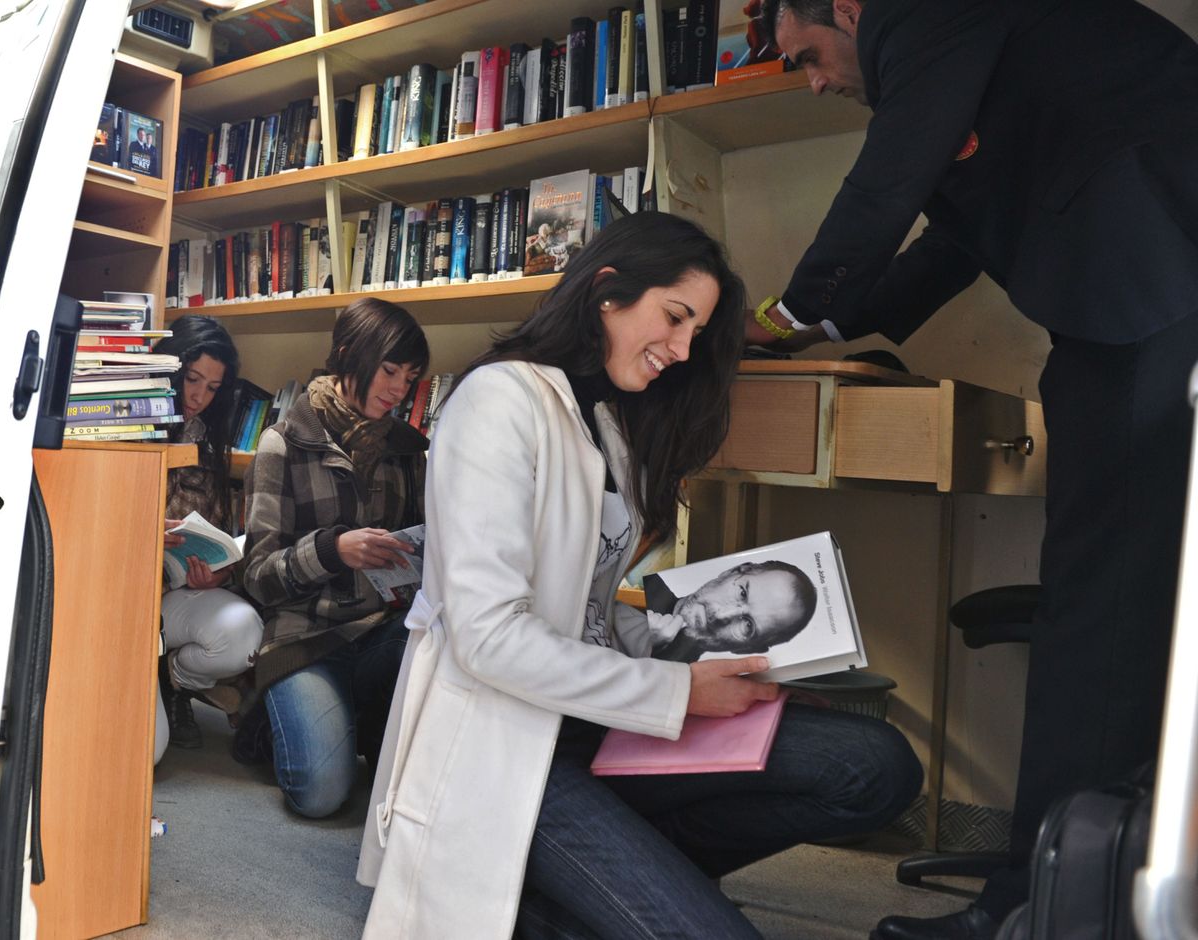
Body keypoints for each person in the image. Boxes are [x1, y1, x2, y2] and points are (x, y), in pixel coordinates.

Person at [753, 2, 1198, 937]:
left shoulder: (922, 15)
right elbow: (951, 244)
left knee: (1097, 613)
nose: (817, 81)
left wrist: (780, 320)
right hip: (1133, 295)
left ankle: (1037, 909)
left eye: (808, 57)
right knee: (1123, 609)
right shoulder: (979, 61)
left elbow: (891, 177)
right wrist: (831, 331)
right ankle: (1075, 886)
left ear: (845, 7)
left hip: (1152, 282)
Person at [356, 211, 922, 939]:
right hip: (512, 753)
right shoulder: (498, 402)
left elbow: (585, 611)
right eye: (675, 317)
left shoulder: (613, 428)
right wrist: (679, 691)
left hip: (600, 724)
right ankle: (558, 893)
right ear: (608, 291)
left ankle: (594, 891)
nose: (683, 350)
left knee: (876, 765)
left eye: (696, 332)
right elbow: (488, 639)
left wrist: (707, 658)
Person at [238, 298, 429, 818]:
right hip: (305, 636)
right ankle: (265, 720)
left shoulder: (409, 451)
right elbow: (258, 579)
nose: (398, 389)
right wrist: (332, 550)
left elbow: (422, 544)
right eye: (389, 371)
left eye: (410, 378)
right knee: (320, 795)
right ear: (347, 356)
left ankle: (357, 721)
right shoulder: (283, 443)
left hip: (380, 633)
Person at [154, 315, 263, 750]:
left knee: (242, 631)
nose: (198, 396)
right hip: (121, 597)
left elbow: (215, 531)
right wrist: (139, 528)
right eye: (191, 379)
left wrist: (217, 573)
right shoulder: (126, 421)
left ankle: (177, 682)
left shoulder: (206, 440)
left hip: (175, 594)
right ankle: (154, 682)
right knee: (151, 752)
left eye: (213, 387)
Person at [646, 560, 818, 662]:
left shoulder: (699, 698)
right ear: (732, 572)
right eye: (742, 593)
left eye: (747, 625)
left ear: (748, 650)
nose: (722, 615)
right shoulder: (641, 583)